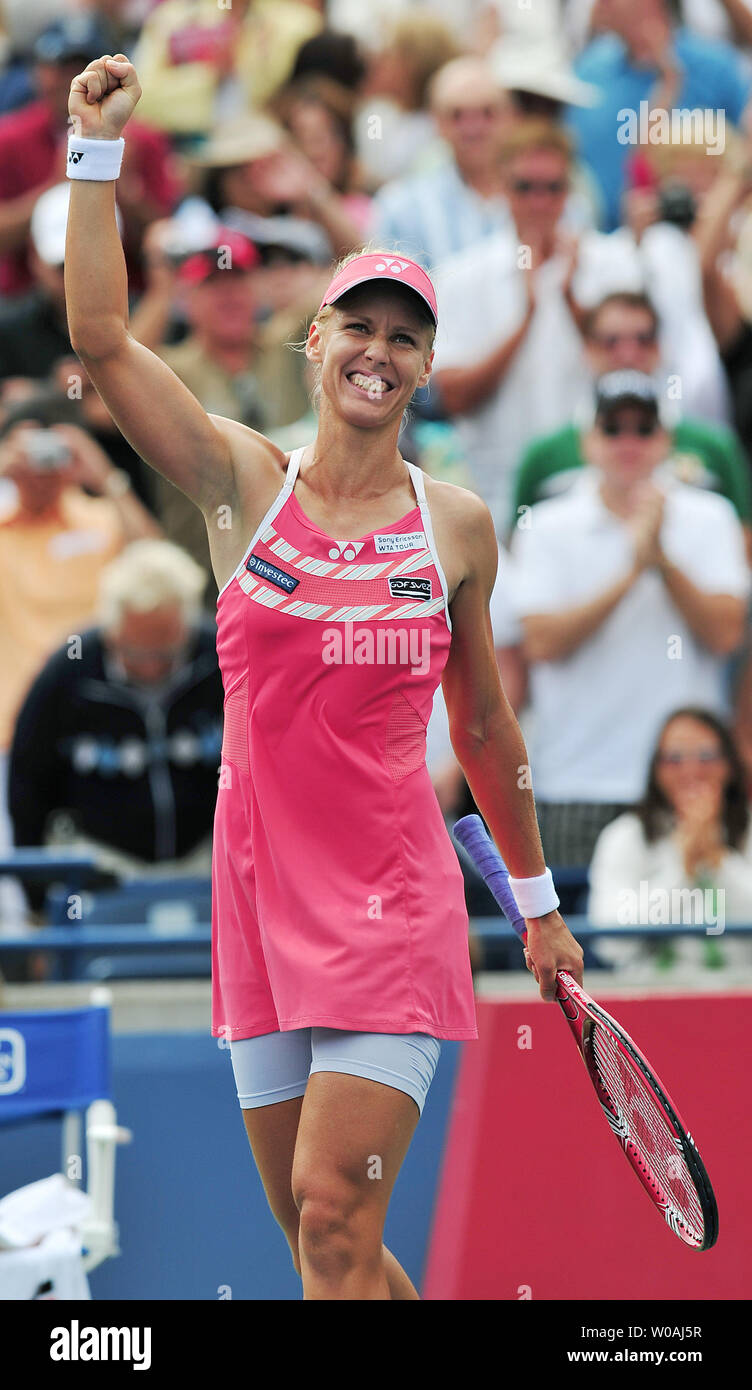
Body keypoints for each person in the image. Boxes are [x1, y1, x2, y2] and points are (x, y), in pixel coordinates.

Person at [63, 52, 583, 1302]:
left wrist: (538, 901)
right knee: (328, 1253)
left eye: (405, 339)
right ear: (315, 339)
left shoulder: (452, 526)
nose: (379, 351)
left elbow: (485, 717)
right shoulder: (240, 483)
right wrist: (94, 152)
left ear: (419, 370)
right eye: (359, 325)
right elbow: (97, 337)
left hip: (393, 906)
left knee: (327, 1221)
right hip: (255, 903)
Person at [509, 370, 750, 867]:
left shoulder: (712, 516)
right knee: (572, 936)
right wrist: (632, 571)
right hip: (577, 778)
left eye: (643, 428)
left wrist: (661, 562)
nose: (628, 441)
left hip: (685, 780)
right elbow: (541, 641)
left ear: (664, 440)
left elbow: (726, 634)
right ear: (589, 441)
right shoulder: (549, 525)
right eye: (613, 427)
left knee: (691, 935)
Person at [8, 539, 223, 906]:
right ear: (111, 629)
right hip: (103, 865)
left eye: (166, 652)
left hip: (211, 858)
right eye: (137, 653)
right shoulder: (69, 673)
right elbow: (27, 787)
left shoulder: (224, 658)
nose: (152, 667)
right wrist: (38, 905)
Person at [510, 291, 752, 534]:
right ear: (587, 349)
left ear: (660, 348)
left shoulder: (715, 448)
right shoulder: (543, 456)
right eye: (611, 341)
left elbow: (743, 548)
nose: (628, 354)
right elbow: (518, 551)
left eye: (643, 339)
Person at [588, 707, 752, 970]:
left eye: (707, 756)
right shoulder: (625, 836)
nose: (691, 770)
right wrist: (683, 871)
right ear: (656, 769)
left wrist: (718, 859)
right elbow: (611, 942)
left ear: (729, 765)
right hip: (650, 996)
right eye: (674, 758)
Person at [568, 0, 752, 230]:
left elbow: (745, 153)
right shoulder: (588, 69)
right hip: (608, 242)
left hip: (711, 235)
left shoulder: (717, 66)